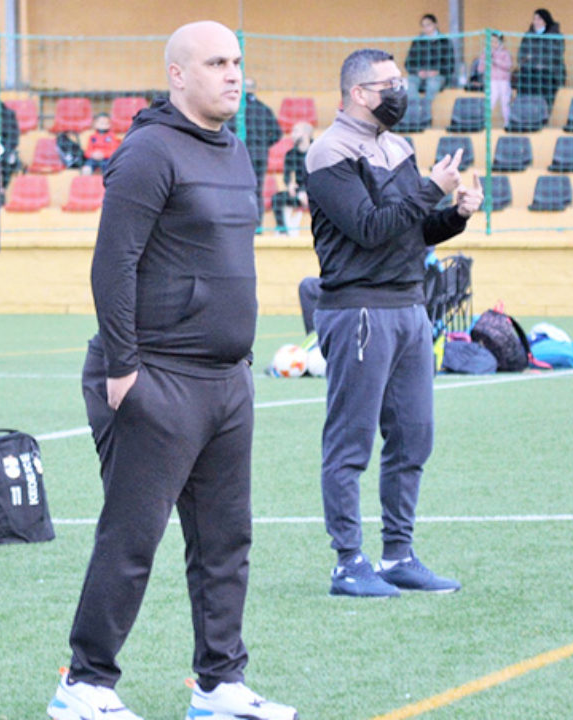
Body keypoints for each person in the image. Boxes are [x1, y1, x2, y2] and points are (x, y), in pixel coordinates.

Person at [47, 20, 297, 720]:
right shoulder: (148, 151)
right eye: (217, 62)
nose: (233, 73)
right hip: (156, 376)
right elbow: (113, 264)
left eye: (237, 61)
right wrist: (123, 369)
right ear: (178, 74)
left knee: (226, 540)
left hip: (227, 380)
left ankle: (220, 686)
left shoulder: (237, 151)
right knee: (132, 539)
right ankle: (85, 684)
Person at [305, 49, 482, 598]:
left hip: (409, 308)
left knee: (413, 437)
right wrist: (431, 188)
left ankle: (398, 555)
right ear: (359, 93)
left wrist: (454, 214)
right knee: (351, 441)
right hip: (359, 310)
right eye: (390, 83)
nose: (401, 91)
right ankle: (348, 562)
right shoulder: (327, 152)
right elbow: (369, 227)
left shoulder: (398, 146)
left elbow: (411, 232)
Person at [226, 77, 282, 230]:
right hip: (259, 156)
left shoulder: (235, 111)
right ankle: (257, 226)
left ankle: (238, 225)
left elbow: (226, 131)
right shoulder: (264, 109)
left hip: (238, 156)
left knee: (236, 190)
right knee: (257, 191)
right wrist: (264, 145)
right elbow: (277, 133)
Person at [515, 8, 565, 110]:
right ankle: (524, 114)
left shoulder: (556, 35)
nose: (536, 22)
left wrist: (537, 60)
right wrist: (534, 61)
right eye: (534, 19)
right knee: (524, 79)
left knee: (544, 80)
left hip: (549, 71)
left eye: (539, 19)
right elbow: (521, 56)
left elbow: (556, 54)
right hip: (530, 70)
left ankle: (543, 114)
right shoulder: (528, 35)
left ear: (546, 21)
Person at [270, 121, 312, 235]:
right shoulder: (290, 154)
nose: (292, 134)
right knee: (276, 199)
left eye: (296, 131)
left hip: (316, 192)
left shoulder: (316, 150)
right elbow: (286, 175)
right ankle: (282, 230)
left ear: (305, 134)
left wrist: (305, 191)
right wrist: (290, 185)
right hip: (299, 194)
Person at [404, 13, 453, 112]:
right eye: (423, 25)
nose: (426, 28)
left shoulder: (445, 42)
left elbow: (450, 64)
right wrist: (418, 71)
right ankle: (415, 113)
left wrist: (437, 71)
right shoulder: (417, 42)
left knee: (432, 85)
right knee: (409, 83)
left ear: (435, 25)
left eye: (428, 24)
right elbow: (408, 63)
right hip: (419, 75)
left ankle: (425, 115)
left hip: (438, 76)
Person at [476, 32, 513, 126]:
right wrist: (485, 59)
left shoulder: (505, 53)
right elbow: (480, 69)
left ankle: (507, 123)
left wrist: (495, 60)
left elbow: (508, 66)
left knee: (505, 102)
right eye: (491, 41)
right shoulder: (485, 53)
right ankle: (484, 123)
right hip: (491, 81)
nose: (493, 44)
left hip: (503, 81)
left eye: (495, 41)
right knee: (490, 102)